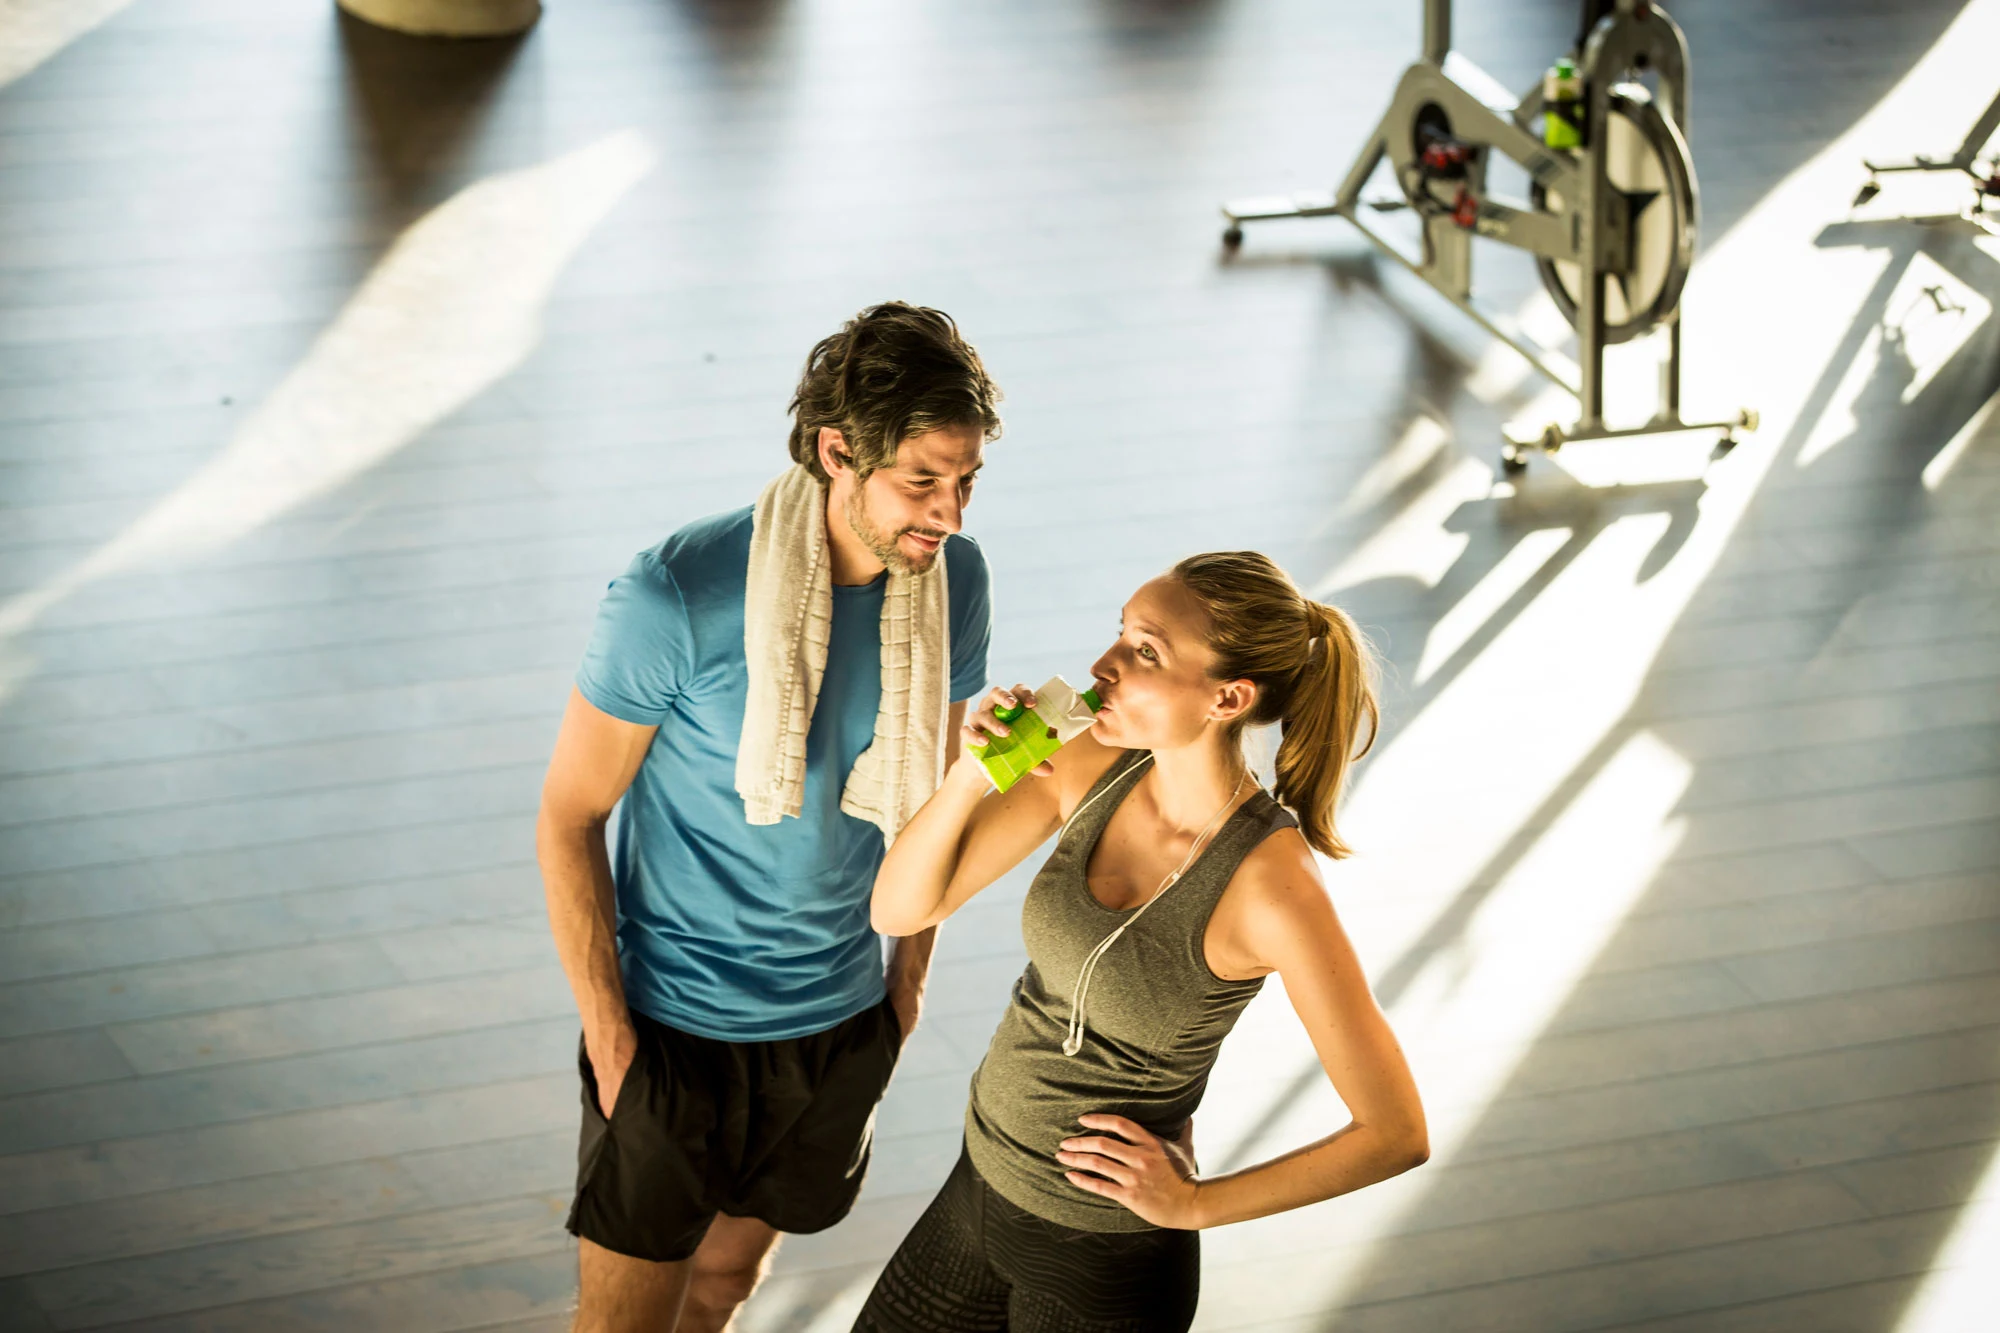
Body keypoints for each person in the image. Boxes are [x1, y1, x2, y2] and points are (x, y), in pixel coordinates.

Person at [537, 302, 1001, 1333]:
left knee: (722, 1288)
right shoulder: (675, 595)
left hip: (838, 1023)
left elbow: (932, 805)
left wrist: (906, 986)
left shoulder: (952, 581)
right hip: (671, 1034)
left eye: (968, 480)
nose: (950, 513)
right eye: (921, 481)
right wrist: (611, 1038)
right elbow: (569, 816)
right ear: (837, 451)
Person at [857, 551, 1428, 1332]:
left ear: (1227, 697)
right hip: (976, 1184)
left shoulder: (1272, 885)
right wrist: (968, 777)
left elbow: (1396, 1132)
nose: (1105, 665)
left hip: (1104, 1264)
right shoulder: (1094, 761)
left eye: (1146, 651)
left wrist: (1194, 1203)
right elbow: (899, 909)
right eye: (1121, 633)